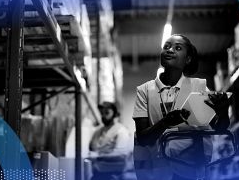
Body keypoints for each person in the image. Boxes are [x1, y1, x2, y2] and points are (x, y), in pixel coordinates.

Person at [133, 34, 230, 180]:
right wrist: (165, 123)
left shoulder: (199, 87)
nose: (170, 50)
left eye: (177, 48)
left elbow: (220, 128)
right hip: (157, 173)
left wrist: (223, 113)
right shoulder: (144, 91)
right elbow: (142, 138)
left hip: (190, 171)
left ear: (188, 59)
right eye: (166, 47)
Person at [89, 102, 132, 180]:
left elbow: (121, 155)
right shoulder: (97, 131)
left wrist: (98, 156)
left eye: (107, 113)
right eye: (101, 113)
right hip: (97, 174)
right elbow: (91, 149)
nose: (103, 116)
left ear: (114, 113)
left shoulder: (121, 131)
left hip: (114, 175)